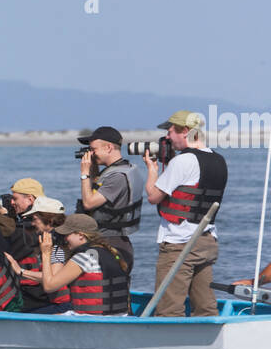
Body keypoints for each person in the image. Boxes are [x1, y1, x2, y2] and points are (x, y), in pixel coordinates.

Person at [143, 110, 227, 316]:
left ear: (186, 132)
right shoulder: (218, 160)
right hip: (206, 239)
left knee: (168, 308)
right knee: (206, 307)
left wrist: (152, 169)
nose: (168, 137)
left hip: (179, 242)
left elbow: (154, 196)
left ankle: (168, 345)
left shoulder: (182, 161)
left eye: (171, 131)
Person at [35, 214, 131, 315]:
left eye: (67, 235)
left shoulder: (84, 257)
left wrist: (46, 253)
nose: (64, 239)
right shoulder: (111, 252)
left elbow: (49, 286)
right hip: (118, 316)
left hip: (91, 319)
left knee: (41, 315)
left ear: (81, 235)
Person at [76, 125, 142, 270]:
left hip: (111, 242)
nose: (91, 153)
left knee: (108, 287)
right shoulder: (123, 169)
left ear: (109, 148)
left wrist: (84, 173)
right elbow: (96, 189)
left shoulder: (117, 176)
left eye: (94, 150)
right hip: (112, 240)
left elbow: (88, 203)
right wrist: (93, 168)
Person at [5, 196, 72, 313]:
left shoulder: (58, 245)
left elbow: (54, 278)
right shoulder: (65, 239)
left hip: (61, 305)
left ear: (50, 220)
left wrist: (20, 271)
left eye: (35, 219)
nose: (32, 223)